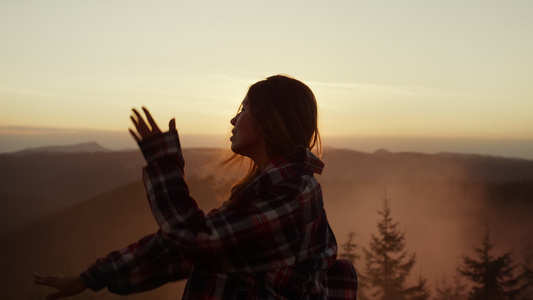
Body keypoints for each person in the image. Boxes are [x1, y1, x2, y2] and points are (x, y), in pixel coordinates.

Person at [34, 75, 357, 299]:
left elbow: (197, 243)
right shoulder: (269, 189)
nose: (234, 120)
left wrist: (163, 165)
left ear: (270, 118)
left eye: (243, 109)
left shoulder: (290, 193)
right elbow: (179, 248)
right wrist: (92, 277)